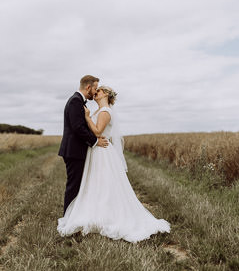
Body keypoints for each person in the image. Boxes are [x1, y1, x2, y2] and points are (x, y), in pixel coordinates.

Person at [57, 85, 170, 243]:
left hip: (102, 152)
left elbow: (97, 131)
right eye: (96, 91)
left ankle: (108, 217)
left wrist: (88, 117)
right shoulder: (99, 111)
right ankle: (95, 214)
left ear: (106, 95)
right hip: (96, 150)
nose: (96, 93)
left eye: (99, 91)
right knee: (94, 183)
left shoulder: (105, 112)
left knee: (105, 184)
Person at [58, 75, 109, 215]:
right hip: (74, 151)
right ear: (88, 87)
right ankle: (68, 219)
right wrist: (95, 141)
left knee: (77, 186)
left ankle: (73, 216)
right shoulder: (75, 101)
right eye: (95, 88)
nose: (95, 91)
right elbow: (78, 128)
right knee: (74, 187)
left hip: (75, 151)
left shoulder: (78, 101)